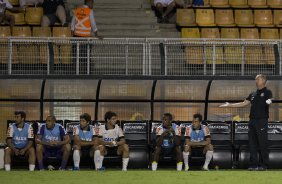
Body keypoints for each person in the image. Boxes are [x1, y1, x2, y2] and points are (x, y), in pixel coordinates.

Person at [219, 74, 272, 171]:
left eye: (258, 79)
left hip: (262, 120)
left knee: (262, 143)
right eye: (256, 79)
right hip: (252, 121)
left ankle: (264, 165)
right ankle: (253, 164)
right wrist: (229, 105)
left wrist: (269, 101)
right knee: (252, 144)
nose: (256, 81)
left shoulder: (267, 92)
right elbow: (244, 103)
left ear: (264, 80)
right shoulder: (253, 93)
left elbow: (270, 100)